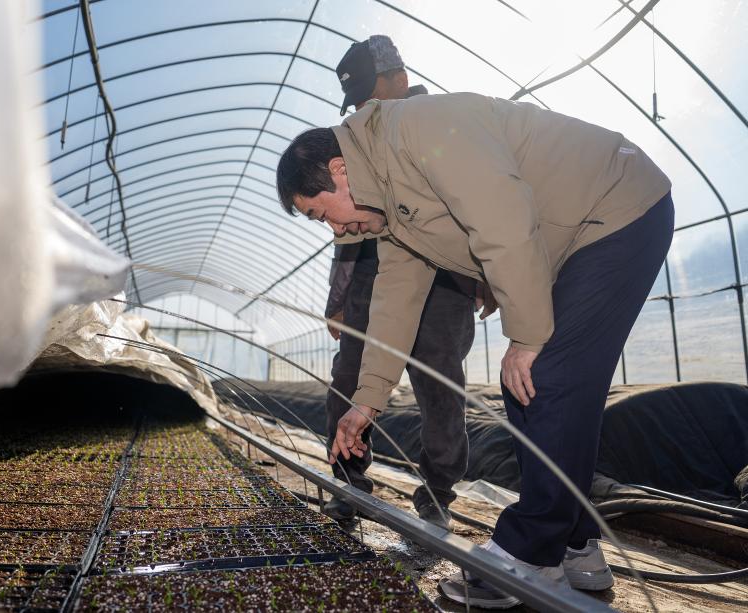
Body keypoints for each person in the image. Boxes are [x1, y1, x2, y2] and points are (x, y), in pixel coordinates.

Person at [275, 92, 673, 608]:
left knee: (546, 376)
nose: (333, 229)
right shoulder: (392, 217)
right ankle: (574, 548)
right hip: (575, 240)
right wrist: (366, 401)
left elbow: (502, 220)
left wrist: (526, 338)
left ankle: (527, 555)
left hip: (616, 209)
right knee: (528, 389)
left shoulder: (419, 131)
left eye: (319, 213)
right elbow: (395, 306)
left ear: (338, 170)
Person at [321, 36, 490, 530]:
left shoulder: (436, 123)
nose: (366, 107)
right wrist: (338, 300)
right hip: (372, 278)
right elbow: (345, 231)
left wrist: (486, 276)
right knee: (349, 377)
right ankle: (348, 480)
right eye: (357, 102)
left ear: (400, 77)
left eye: (372, 93)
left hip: (444, 280)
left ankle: (438, 490)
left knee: (438, 381)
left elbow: (476, 203)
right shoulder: (359, 142)